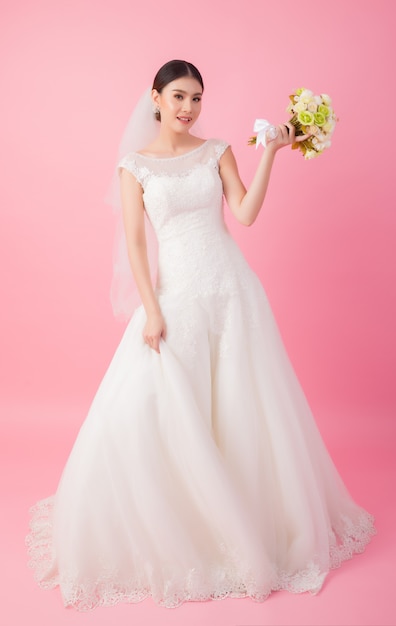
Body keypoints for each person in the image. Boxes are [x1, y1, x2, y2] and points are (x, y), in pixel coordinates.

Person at [27, 60, 375, 610]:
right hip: (178, 297)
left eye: (197, 99)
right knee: (166, 408)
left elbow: (246, 213)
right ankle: (181, 521)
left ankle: (249, 519)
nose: (189, 108)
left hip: (232, 292)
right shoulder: (133, 167)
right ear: (156, 98)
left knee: (242, 407)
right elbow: (138, 246)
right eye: (180, 97)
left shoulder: (218, 152)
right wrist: (150, 309)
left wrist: (272, 155)